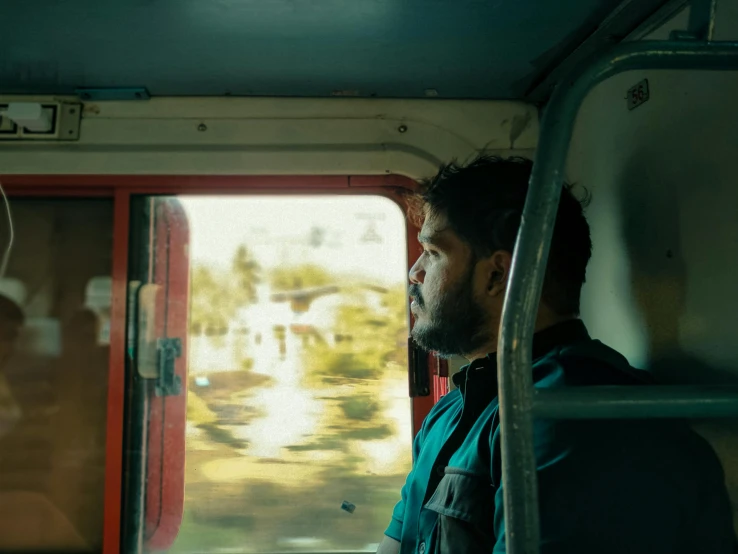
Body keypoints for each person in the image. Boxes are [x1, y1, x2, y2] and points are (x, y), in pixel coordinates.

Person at [377, 157, 736, 554]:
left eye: (432, 251)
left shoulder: (577, 420)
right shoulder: (451, 412)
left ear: (497, 275)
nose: (415, 273)